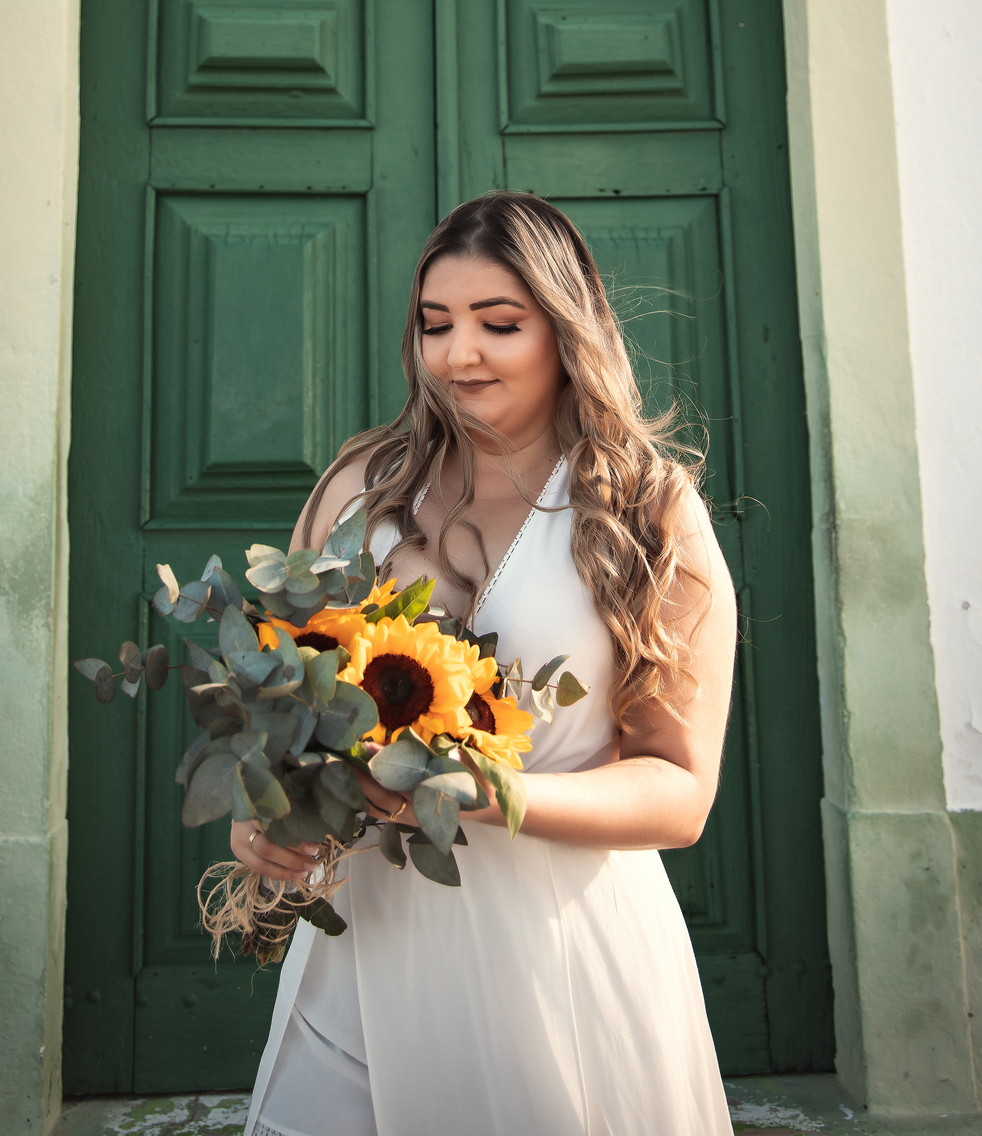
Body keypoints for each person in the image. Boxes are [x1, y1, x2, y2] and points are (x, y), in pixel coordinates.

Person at [235, 191, 737, 1136]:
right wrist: (262, 830)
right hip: (366, 955)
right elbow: (280, 714)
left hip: (559, 964)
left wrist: (486, 791)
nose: (457, 356)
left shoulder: (644, 512)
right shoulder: (360, 486)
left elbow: (680, 792)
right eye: (436, 325)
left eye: (497, 324)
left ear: (564, 328)